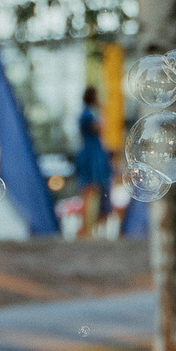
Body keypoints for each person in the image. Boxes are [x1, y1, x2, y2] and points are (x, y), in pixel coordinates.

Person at [72, 86, 115, 239]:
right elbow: (99, 127)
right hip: (93, 156)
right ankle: (85, 228)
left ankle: (87, 227)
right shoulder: (89, 114)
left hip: (91, 154)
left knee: (91, 191)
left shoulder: (86, 112)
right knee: (91, 190)